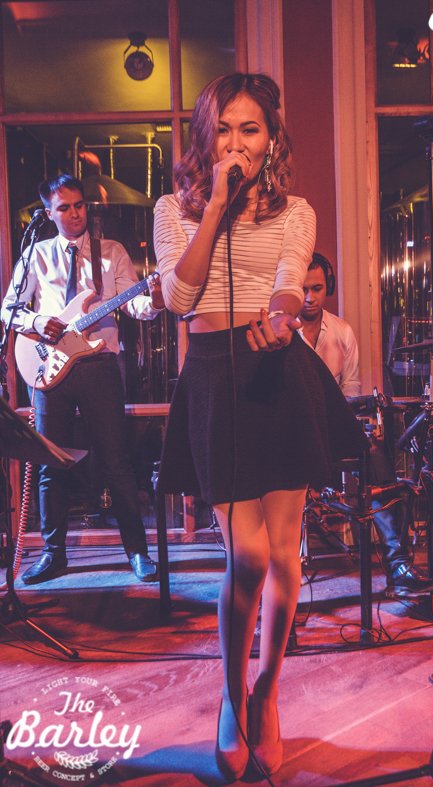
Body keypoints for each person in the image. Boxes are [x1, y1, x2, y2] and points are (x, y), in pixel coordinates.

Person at [153, 73, 367, 780]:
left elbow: (286, 279)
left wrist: (281, 317)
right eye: (224, 128)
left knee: (283, 554)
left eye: (250, 129)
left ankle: (266, 692)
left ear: (270, 139)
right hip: (214, 375)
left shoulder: (295, 211)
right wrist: (216, 205)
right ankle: (229, 691)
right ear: (204, 137)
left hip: (277, 370)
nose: (236, 142)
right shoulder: (172, 210)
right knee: (243, 554)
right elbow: (178, 297)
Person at [1, 174, 163, 585]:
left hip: (99, 365)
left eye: (79, 205)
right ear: (48, 213)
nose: (74, 214)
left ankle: (138, 552)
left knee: (116, 461)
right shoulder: (36, 254)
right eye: (64, 208)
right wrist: (39, 322)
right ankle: (53, 554)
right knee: (49, 464)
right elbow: (9, 310)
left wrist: (156, 299)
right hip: (48, 366)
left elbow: (136, 304)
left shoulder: (111, 252)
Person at [299, 252, 433, 597]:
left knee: (376, 457)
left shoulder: (342, 332)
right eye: (302, 289)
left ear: (328, 287)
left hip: (332, 431)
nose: (309, 297)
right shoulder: (281, 334)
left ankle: (398, 564)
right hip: (294, 436)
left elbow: (351, 392)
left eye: (316, 288)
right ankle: (280, 572)